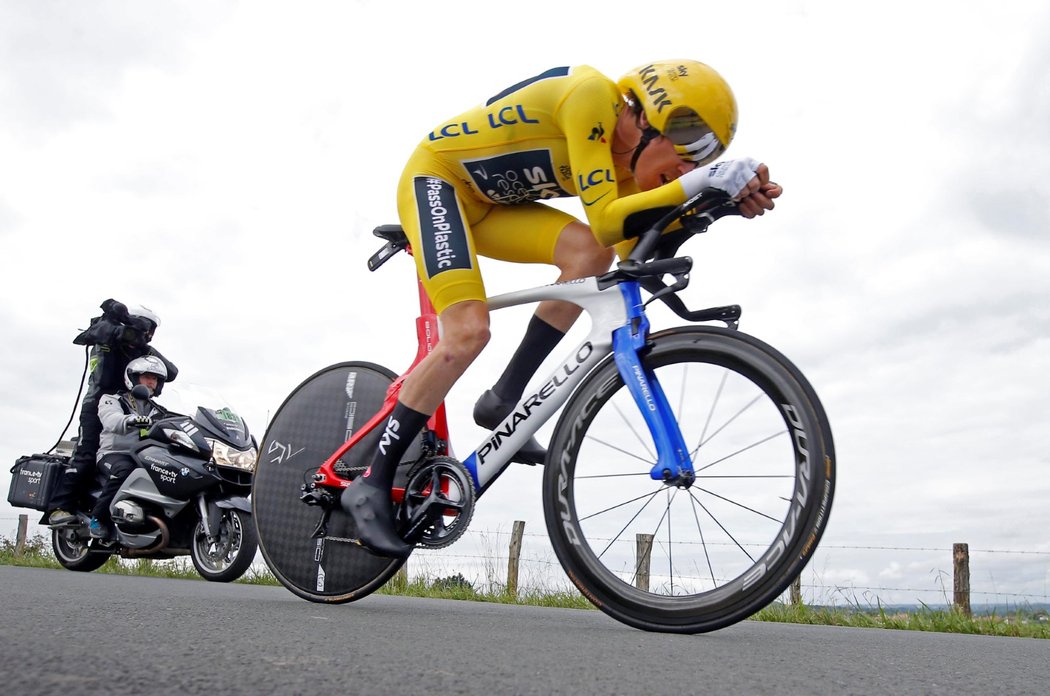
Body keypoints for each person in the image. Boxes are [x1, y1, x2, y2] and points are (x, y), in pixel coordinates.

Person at [342, 60, 783, 557]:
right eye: (688, 157)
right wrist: (708, 181)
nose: (687, 172)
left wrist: (717, 207)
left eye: (700, 164)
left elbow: (637, 245)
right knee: (467, 331)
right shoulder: (591, 99)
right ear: (646, 121)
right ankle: (372, 483)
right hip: (437, 181)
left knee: (590, 258)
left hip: (490, 208)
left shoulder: (628, 163)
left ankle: (504, 398)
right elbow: (607, 220)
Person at [47, 299, 178, 523]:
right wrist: (122, 324)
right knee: (87, 453)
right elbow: (95, 333)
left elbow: (172, 371)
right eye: (146, 326)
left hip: (132, 403)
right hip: (99, 403)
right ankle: (60, 507)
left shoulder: (141, 351)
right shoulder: (106, 333)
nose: (148, 333)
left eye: (151, 330)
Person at [88, 355, 168, 540]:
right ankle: (97, 519)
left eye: (155, 378)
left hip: (145, 456)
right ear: (133, 378)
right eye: (147, 376)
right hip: (114, 454)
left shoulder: (158, 409)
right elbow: (111, 420)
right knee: (125, 471)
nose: (151, 381)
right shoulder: (113, 399)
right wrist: (130, 419)